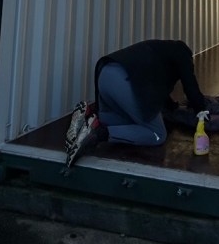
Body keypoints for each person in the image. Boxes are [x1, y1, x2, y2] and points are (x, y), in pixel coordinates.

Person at [65, 39, 208, 168]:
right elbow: (190, 85)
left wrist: (173, 107)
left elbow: (162, 95)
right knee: (156, 134)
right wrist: (202, 110)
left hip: (105, 75)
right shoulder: (183, 53)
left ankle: (87, 119)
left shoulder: (157, 51)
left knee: (121, 121)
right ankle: (99, 133)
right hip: (125, 83)